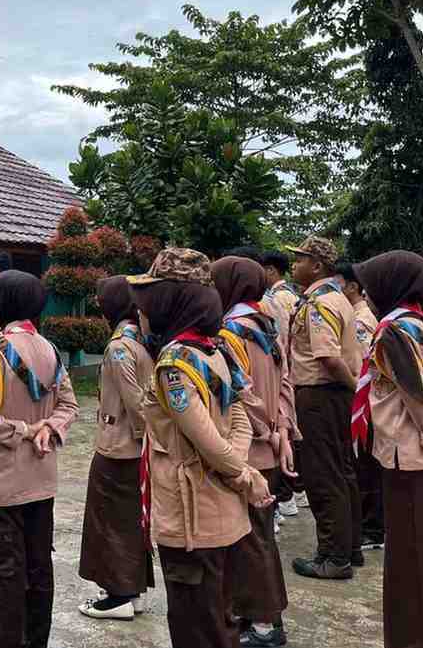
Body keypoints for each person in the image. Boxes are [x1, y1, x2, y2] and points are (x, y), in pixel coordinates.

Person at [131, 248, 272, 648]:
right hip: (220, 505)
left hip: (191, 514)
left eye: (150, 300)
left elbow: (204, 436)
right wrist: (238, 467)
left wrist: (241, 474)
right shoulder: (214, 351)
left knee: (197, 622)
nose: (142, 311)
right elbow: (238, 418)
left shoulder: (175, 364)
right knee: (219, 617)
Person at [355, 251, 423, 648]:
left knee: (413, 556)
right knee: (418, 553)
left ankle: (419, 638)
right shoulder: (418, 325)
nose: (365, 294)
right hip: (417, 452)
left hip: (410, 455)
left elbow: (419, 399)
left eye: (370, 286)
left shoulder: (394, 332)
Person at [0, 269, 78, 648]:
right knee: (38, 569)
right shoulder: (50, 349)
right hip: (42, 481)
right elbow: (69, 405)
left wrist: (26, 430)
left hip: (2, 485)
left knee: (4, 574)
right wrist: (50, 427)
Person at [214, 256, 293, 648]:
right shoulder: (267, 325)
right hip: (269, 444)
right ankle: (256, 614)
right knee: (258, 535)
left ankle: (264, 624)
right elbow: (285, 383)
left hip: (249, 446)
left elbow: (242, 392)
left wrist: (266, 429)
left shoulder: (231, 331)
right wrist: (283, 429)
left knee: (250, 539)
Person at [78, 276, 156, 621]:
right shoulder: (140, 338)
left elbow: (136, 402)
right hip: (131, 447)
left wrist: (144, 438)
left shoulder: (119, 347)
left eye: (100, 299)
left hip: (119, 447)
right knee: (129, 521)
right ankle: (130, 589)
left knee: (110, 521)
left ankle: (119, 595)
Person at [286, 236, 363, 579]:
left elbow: (329, 357)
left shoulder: (320, 303)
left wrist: (353, 389)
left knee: (323, 475)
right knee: (342, 472)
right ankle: (350, 548)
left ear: (317, 266)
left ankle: (333, 557)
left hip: (320, 395)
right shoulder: (335, 298)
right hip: (333, 395)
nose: (294, 264)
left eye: (300, 259)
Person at [339, 260, 385, 553]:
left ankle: (373, 528)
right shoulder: (356, 316)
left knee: (367, 466)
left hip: (365, 402)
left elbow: (367, 365)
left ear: (353, 287)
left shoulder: (361, 320)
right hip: (362, 400)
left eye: (338, 284)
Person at [262, 249, 305, 518]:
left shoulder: (275, 299)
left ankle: (287, 495)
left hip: (282, 372)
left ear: (270, 270)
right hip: (291, 373)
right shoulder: (291, 296)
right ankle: (294, 491)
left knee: (281, 434)